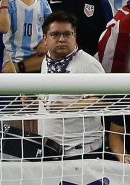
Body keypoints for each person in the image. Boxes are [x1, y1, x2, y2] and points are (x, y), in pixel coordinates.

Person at [37, 11, 106, 159]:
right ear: (45, 39)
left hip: (81, 151)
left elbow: (103, 99)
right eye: (55, 34)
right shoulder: (46, 61)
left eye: (67, 34)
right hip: (50, 148)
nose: (62, 39)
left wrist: (68, 107)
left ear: (74, 37)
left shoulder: (88, 64)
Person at [1, 0, 50, 72]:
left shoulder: (43, 3)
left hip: (37, 59)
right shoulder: (9, 3)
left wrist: (45, 41)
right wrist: (4, 6)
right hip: (13, 60)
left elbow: (51, 25)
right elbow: (3, 29)